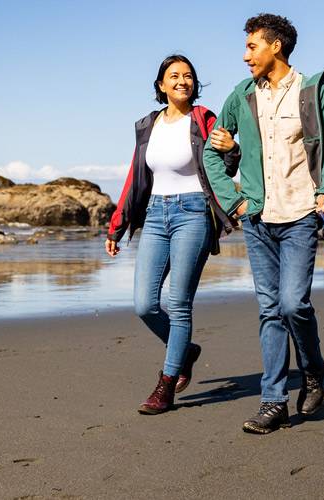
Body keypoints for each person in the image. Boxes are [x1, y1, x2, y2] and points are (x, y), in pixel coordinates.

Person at [203, 13, 324, 434]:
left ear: (275, 47)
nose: (245, 54)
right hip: (257, 217)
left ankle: (313, 369)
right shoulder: (240, 96)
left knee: (292, 304)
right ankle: (273, 401)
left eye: (252, 46)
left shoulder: (312, 91)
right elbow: (214, 153)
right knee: (269, 310)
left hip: (302, 213)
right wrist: (233, 202)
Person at [107, 54, 237, 415]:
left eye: (189, 76)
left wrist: (233, 151)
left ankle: (165, 386)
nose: (183, 80)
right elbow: (136, 177)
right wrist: (117, 226)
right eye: (174, 75)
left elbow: (223, 165)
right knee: (145, 304)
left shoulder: (203, 119)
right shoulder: (148, 125)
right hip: (154, 214)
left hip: (194, 213)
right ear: (161, 85)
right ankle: (186, 351)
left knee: (179, 302)